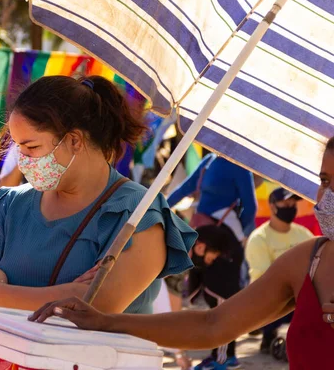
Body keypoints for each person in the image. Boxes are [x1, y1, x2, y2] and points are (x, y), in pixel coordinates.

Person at [31, 136, 334, 370]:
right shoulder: (306, 261)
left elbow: (250, 206)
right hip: (206, 233)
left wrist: (240, 235)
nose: (328, 194)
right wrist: (105, 322)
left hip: (225, 237)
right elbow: (211, 325)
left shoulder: (237, 170)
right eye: (324, 181)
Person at [0, 75, 197, 317]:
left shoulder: (139, 212)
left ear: (74, 140)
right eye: (18, 148)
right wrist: (67, 293)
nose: (23, 161)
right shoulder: (11, 204)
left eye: (31, 148)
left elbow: (97, 306)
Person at [167, 153, 257, 368]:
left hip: (224, 243)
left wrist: (231, 239)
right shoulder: (209, 160)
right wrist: (158, 206)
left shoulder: (240, 164)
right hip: (205, 238)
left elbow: (250, 208)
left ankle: (224, 357)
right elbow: (184, 189)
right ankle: (218, 354)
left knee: (224, 298)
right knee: (210, 297)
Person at [246, 187, 313, 353]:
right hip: (270, 297)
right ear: (272, 206)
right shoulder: (259, 238)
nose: (290, 206)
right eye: (286, 202)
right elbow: (264, 279)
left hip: (300, 294)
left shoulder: (303, 234)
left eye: (293, 203)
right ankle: (269, 336)